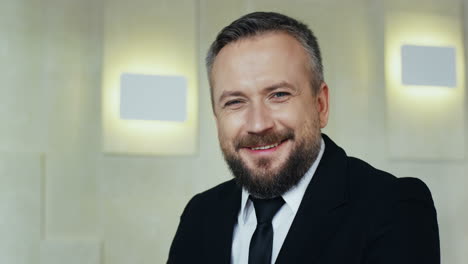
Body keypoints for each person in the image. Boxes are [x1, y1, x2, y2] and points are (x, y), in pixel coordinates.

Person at [168, 12, 440, 264]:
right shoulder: (199, 214)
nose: (258, 124)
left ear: (320, 105)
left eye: (279, 95)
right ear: (217, 118)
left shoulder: (395, 207)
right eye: (235, 102)